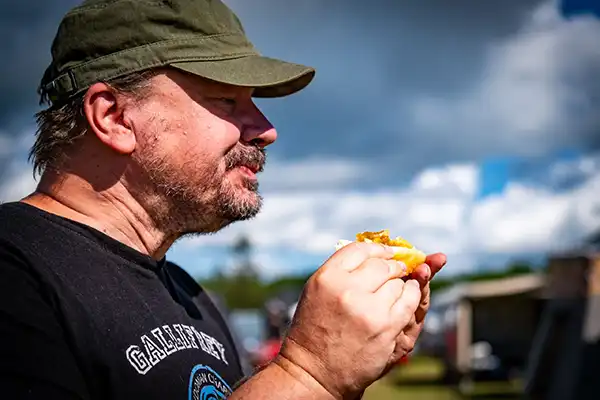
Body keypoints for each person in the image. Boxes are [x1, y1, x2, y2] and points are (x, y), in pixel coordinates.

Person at [0, 0, 447, 399]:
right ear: (114, 117)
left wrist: (349, 364)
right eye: (227, 100)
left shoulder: (191, 295)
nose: (266, 129)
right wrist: (310, 373)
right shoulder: (14, 272)